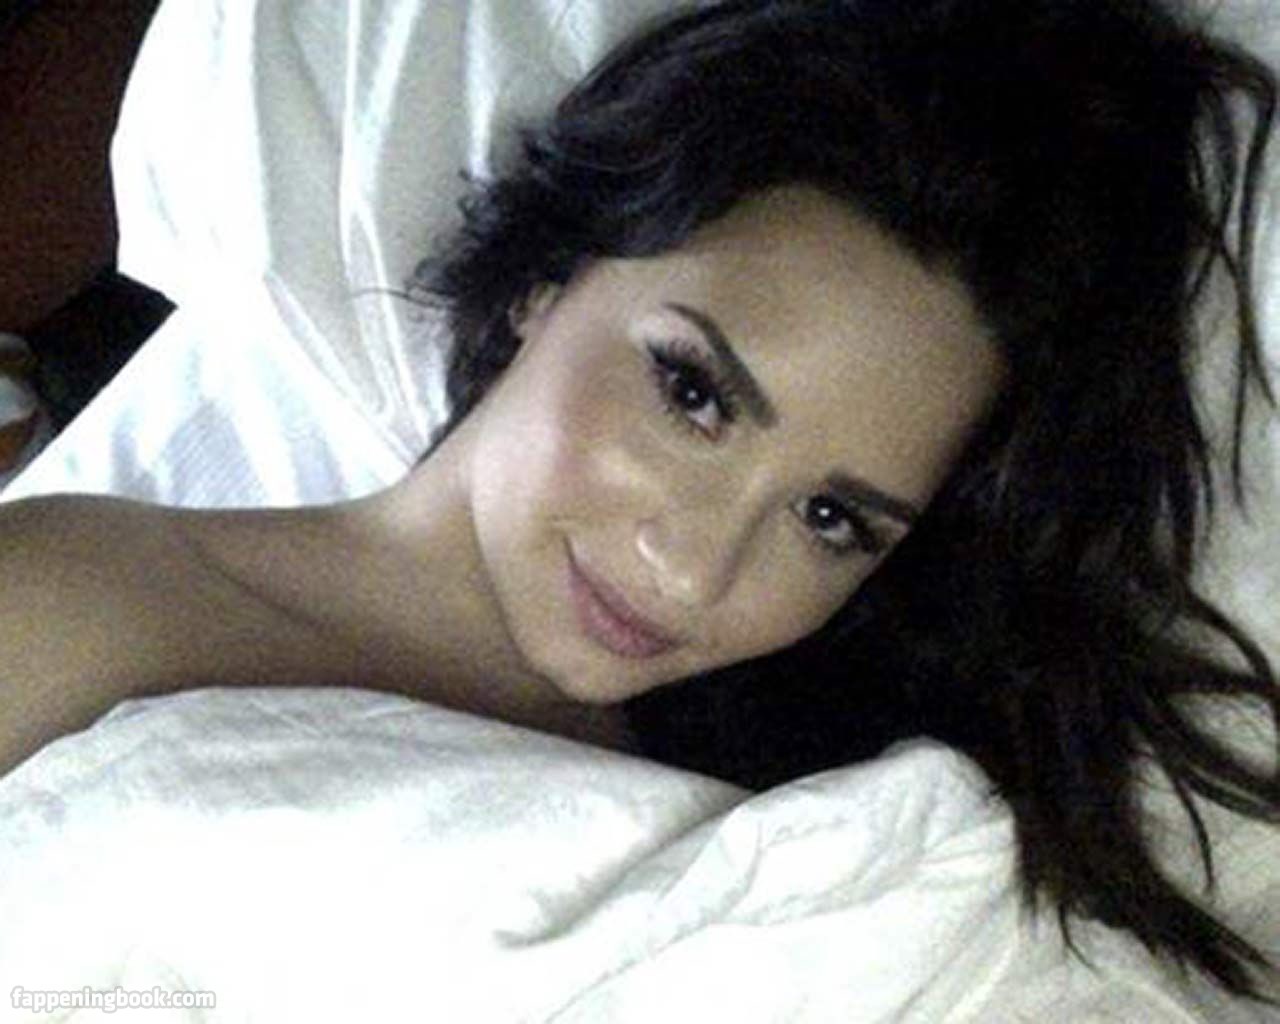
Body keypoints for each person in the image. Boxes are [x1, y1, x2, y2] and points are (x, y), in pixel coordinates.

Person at [1, 0, 1277, 1005]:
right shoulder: (76, 601)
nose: (694, 569)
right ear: (545, 281)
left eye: (830, 520)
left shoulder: (807, 843)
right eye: (693, 393)